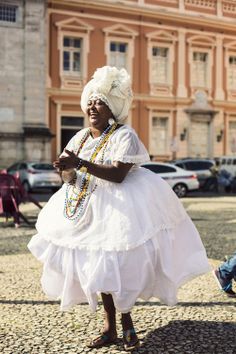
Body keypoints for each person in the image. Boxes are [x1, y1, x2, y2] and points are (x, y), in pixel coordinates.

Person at [28, 66, 210, 351]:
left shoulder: (125, 135)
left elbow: (118, 174)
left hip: (121, 208)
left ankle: (127, 325)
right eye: (90, 100)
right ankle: (109, 328)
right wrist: (65, 171)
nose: (92, 106)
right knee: (98, 269)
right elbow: (70, 177)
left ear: (112, 107)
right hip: (86, 209)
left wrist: (79, 164)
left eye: (99, 101)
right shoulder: (79, 137)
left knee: (119, 267)